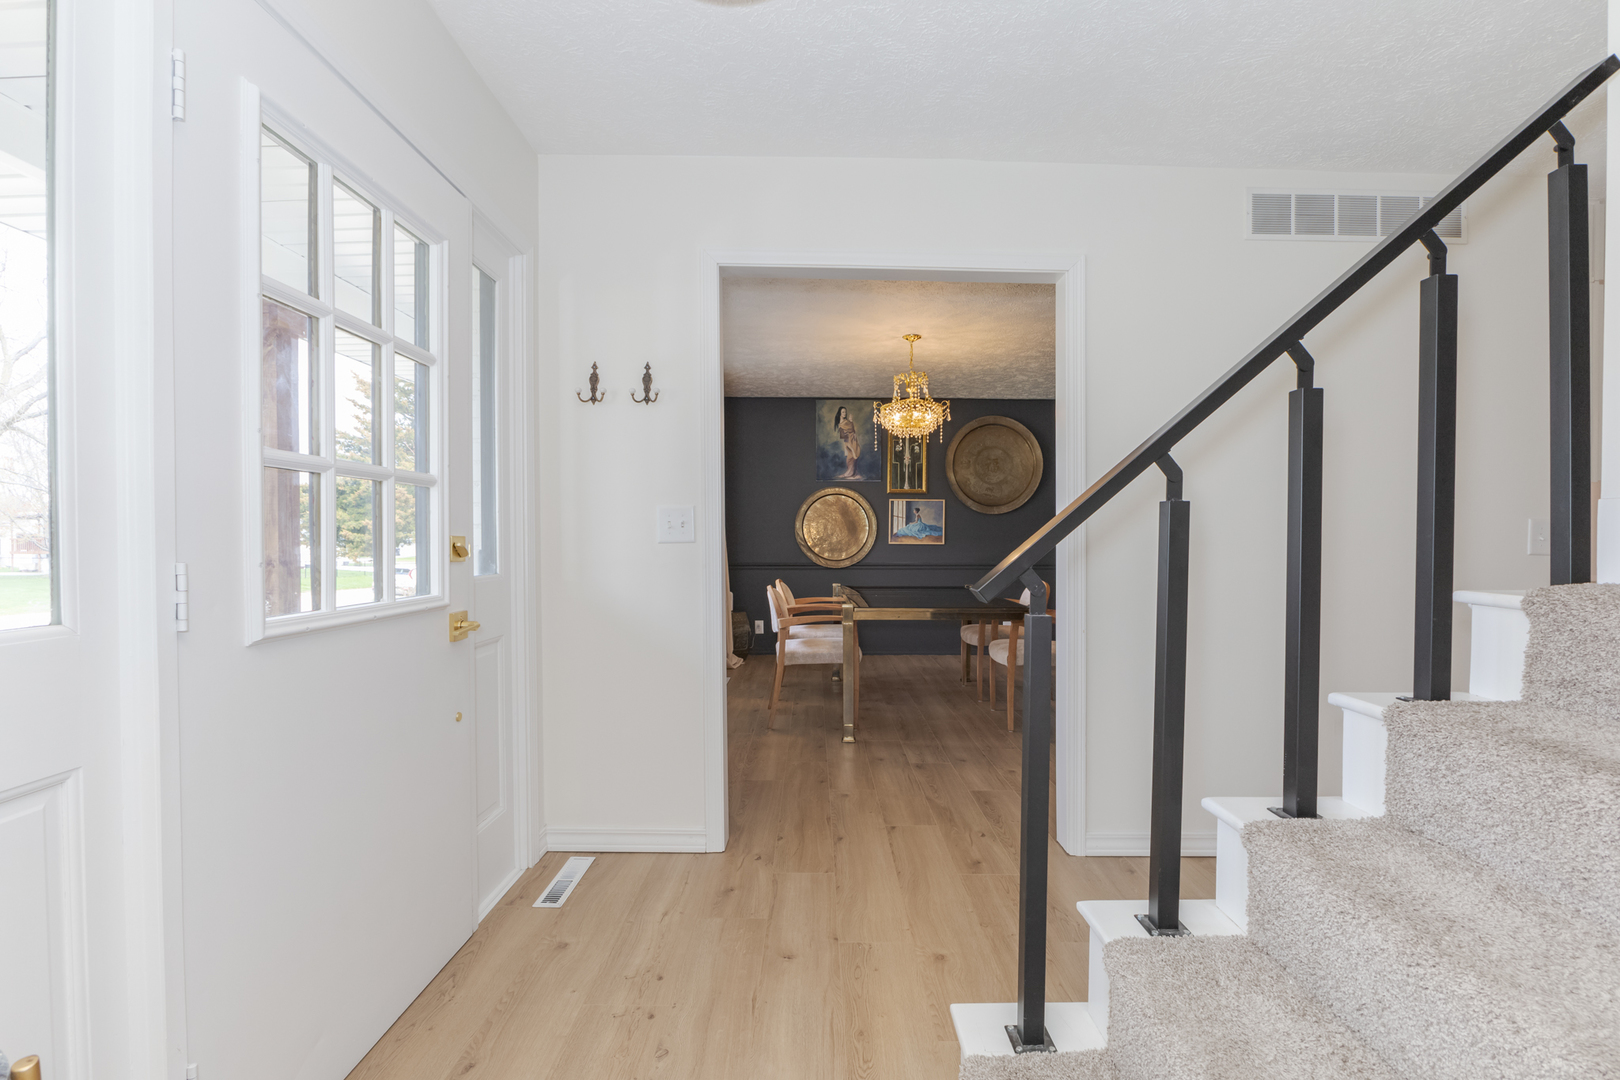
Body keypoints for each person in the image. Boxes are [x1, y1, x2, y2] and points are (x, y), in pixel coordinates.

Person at [834, 405, 861, 479]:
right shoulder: (842, 423)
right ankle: (850, 473)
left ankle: (853, 473)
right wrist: (851, 421)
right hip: (848, 439)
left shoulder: (846, 421)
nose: (844, 413)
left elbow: (852, 429)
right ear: (839, 413)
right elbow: (848, 431)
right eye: (843, 412)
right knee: (851, 455)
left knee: (854, 454)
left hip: (853, 438)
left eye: (845, 412)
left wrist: (851, 421)